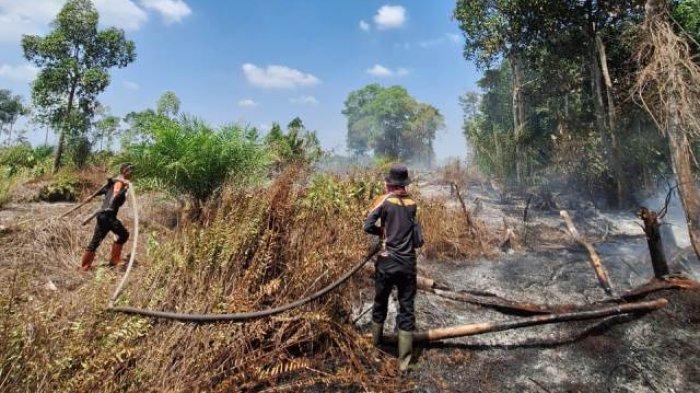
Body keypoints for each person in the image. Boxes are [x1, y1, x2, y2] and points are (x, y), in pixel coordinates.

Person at [363, 163, 422, 372]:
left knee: (380, 303)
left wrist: (384, 233)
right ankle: (404, 362)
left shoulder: (384, 201)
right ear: (404, 184)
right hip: (408, 264)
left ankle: (375, 350)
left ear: (389, 183)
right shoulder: (413, 204)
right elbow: (417, 239)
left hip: (387, 263)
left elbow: (367, 225)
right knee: (407, 309)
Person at [80, 163, 134, 271]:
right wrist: (124, 188)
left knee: (95, 241)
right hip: (107, 216)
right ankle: (113, 262)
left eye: (132, 171)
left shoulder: (114, 184)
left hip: (104, 216)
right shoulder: (117, 184)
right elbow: (115, 196)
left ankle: (85, 266)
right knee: (124, 235)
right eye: (130, 170)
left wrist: (126, 187)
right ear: (124, 171)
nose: (132, 173)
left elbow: (102, 191)